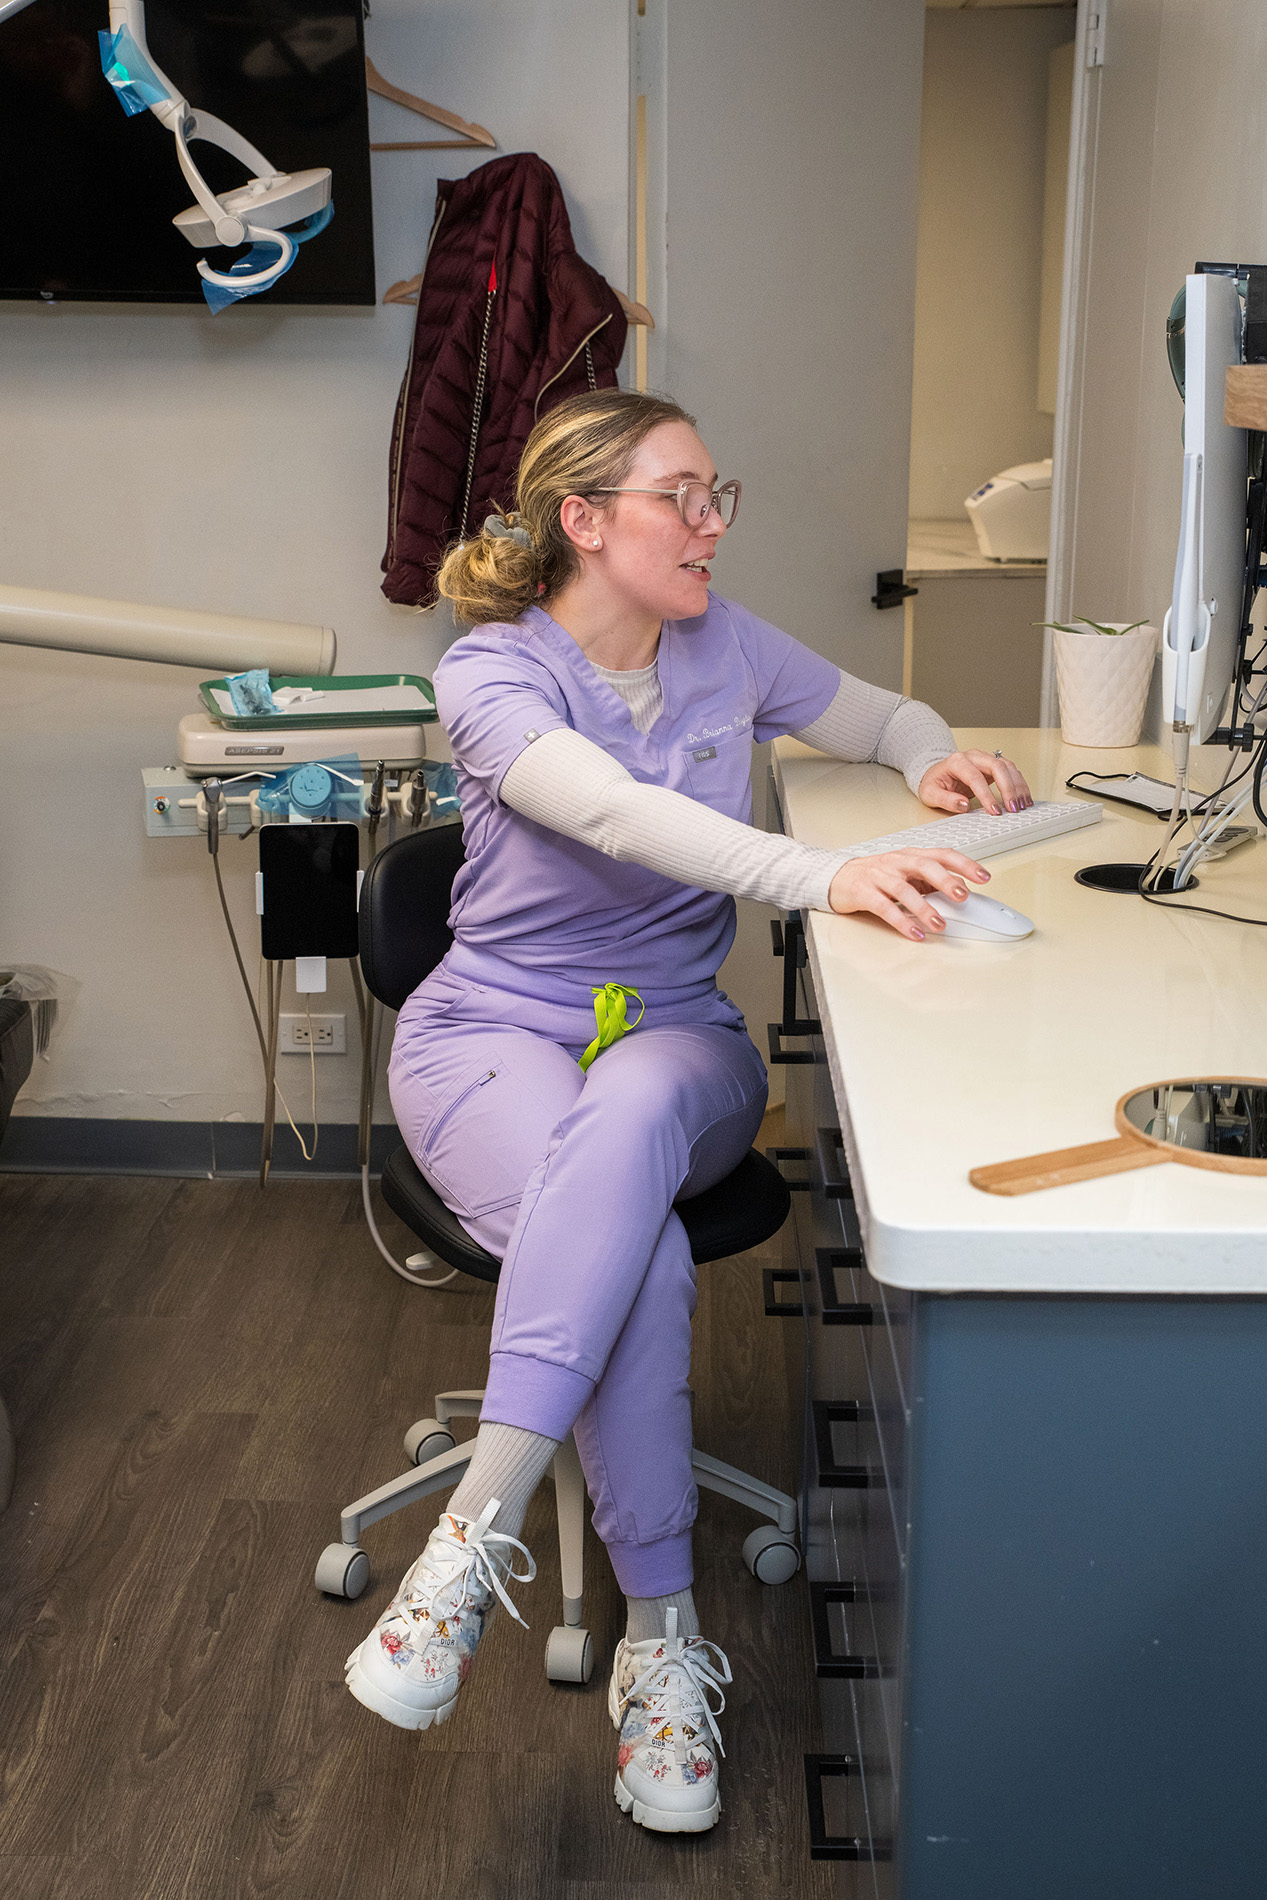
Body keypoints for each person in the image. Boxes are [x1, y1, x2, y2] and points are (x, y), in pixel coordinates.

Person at [343, 388, 1032, 1833]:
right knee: (636, 1243)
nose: (714, 526)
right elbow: (609, 811)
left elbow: (884, 709)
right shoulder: (490, 674)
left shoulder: (727, 645)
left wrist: (931, 759)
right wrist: (824, 875)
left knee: (639, 1115)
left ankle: (467, 1547)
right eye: (683, 497)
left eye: (723, 495)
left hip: (673, 1042)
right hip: (495, 1034)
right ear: (585, 520)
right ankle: (661, 1641)